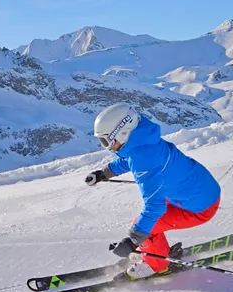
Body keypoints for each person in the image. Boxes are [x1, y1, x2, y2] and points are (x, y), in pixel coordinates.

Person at [85, 104, 221, 278]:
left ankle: (157, 265)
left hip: (199, 208)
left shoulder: (143, 159)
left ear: (122, 132)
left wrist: (134, 240)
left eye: (105, 141)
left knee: (145, 227)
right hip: (201, 191)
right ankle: (153, 251)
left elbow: (155, 206)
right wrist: (104, 173)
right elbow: (131, 160)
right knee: (144, 226)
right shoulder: (145, 142)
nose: (107, 147)